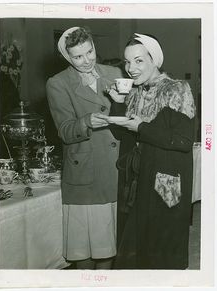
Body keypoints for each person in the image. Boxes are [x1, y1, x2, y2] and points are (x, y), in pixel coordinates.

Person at [105, 33, 196, 269]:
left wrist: (142, 127)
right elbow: (121, 135)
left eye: (138, 61)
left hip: (164, 186)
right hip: (137, 181)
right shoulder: (134, 92)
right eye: (127, 62)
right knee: (134, 255)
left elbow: (184, 141)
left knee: (161, 256)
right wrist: (118, 102)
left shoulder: (177, 90)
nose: (130, 68)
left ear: (154, 60)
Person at [46, 27, 123, 269]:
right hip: (86, 175)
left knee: (110, 245)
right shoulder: (57, 83)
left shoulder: (115, 73)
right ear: (67, 57)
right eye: (78, 57)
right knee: (86, 252)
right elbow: (65, 131)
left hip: (118, 168)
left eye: (90, 52)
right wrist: (85, 122)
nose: (87, 60)